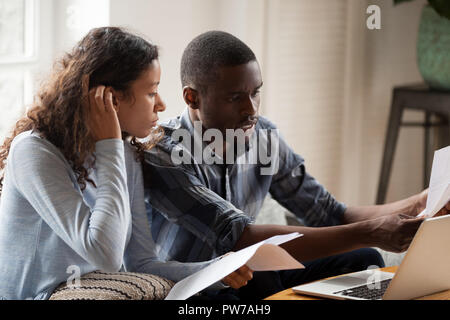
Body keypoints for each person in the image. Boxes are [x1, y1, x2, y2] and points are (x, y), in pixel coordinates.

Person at [142, 30, 450, 300]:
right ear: (192, 97)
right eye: (235, 97)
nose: (251, 109)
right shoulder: (163, 153)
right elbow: (241, 239)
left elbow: (329, 213)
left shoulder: (263, 136)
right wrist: (371, 231)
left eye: (255, 93)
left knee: (364, 260)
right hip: (194, 287)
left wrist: (417, 203)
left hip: (253, 276)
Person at [0, 27, 252, 300]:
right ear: (111, 99)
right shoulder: (34, 151)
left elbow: (141, 264)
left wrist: (215, 270)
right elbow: (105, 254)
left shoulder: (125, 155)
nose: (162, 104)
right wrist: (110, 147)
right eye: (151, 92)